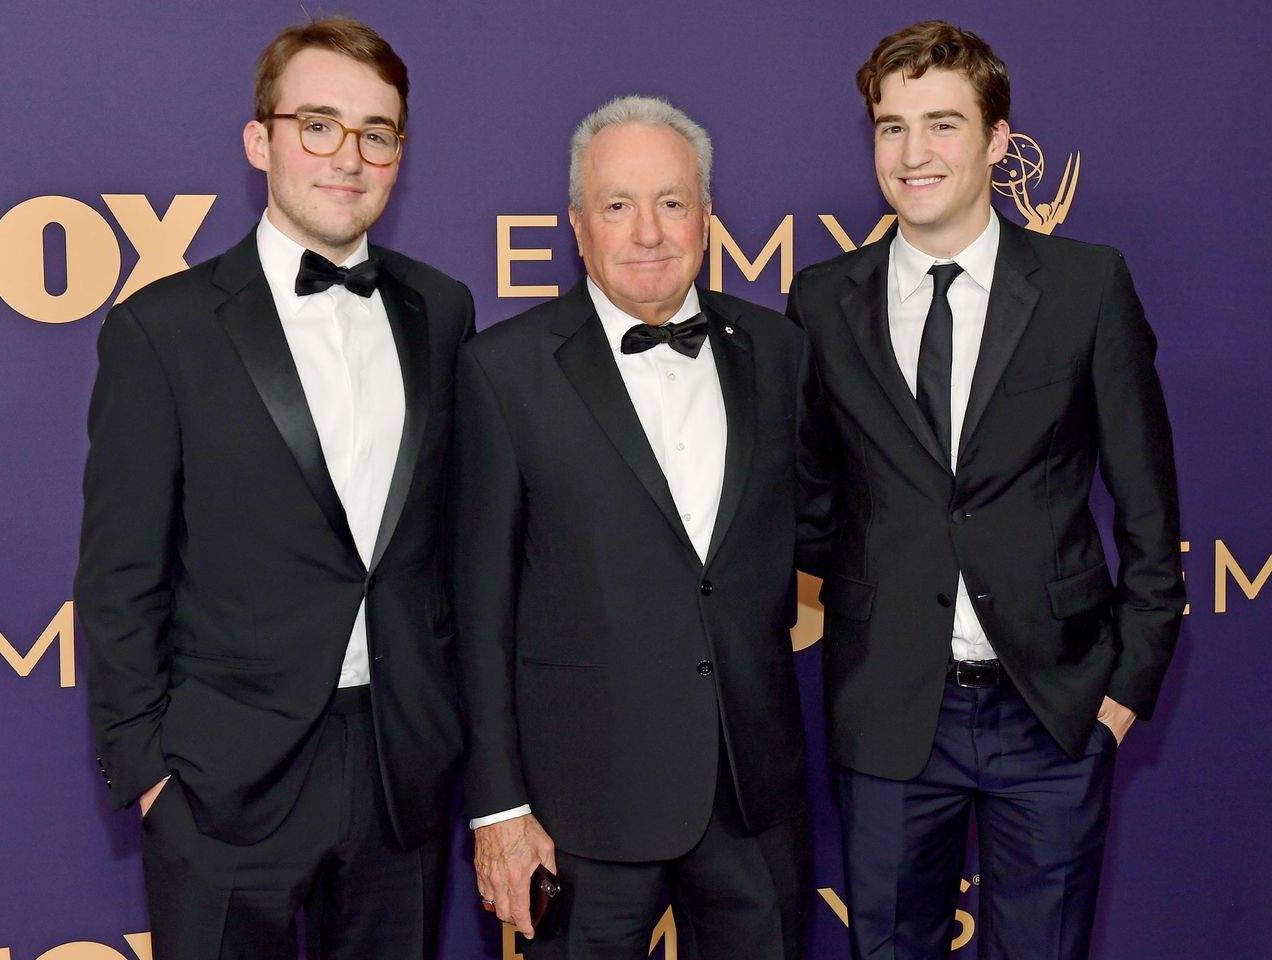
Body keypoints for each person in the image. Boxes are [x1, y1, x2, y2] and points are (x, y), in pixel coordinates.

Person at [75, 17, 473, 960]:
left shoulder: (442, 309)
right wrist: (150, 775)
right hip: (221, 782)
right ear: (261, 141)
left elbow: (454, 540)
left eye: (377, 132)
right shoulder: (162, 330)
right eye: (319, 124)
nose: (350, 155)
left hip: (398, 769)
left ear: (399, 154)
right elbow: (119, 573)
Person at [788, 20, 1185, 960]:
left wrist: (1122, 690)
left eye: (942, 125)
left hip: (1050, 708)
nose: (913, 153)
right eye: (891, 127)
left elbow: (1150, 510)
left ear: (998, 143)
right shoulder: (821, 299)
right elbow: (809, 499)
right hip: (891, 710)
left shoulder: (1088, 286)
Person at [454, 95, 823, 959]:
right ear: (578, 226)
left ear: (706, 218)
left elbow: (830, 527)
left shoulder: (778, 352)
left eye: (672, 203)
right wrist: (501, 808)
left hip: (752, 795)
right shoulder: (502, 372)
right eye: (619, 206)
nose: (649, 231)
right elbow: (478, 612)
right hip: (578, 811)